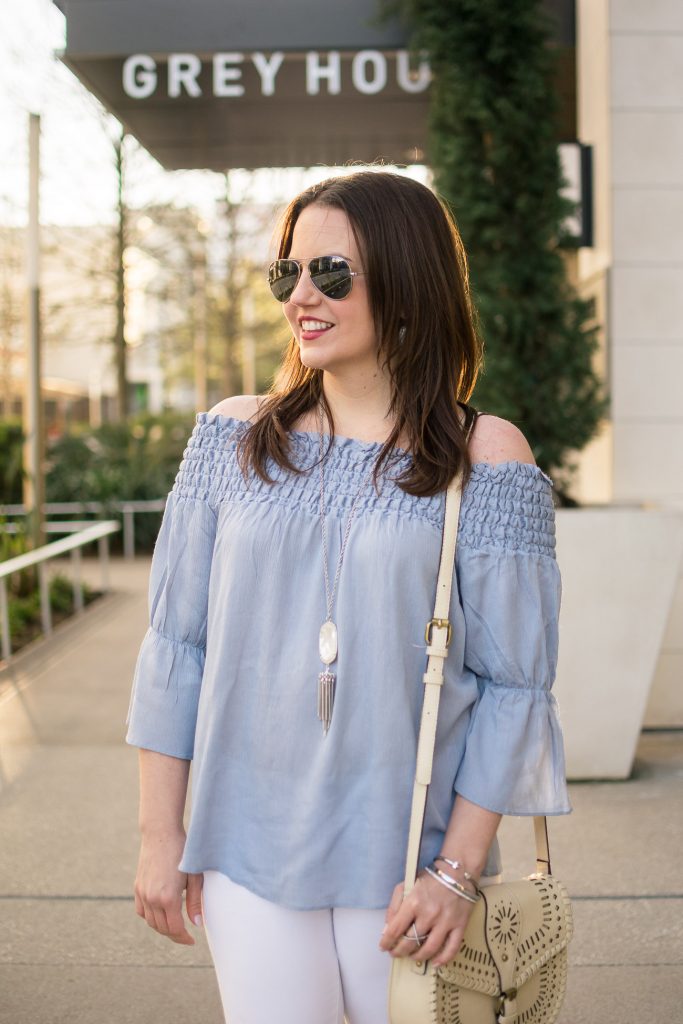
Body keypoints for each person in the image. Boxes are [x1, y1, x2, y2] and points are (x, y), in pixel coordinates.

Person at [125, 170, 572, 1024]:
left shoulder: (487, 456)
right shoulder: (231, 436)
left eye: (331, 273)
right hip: (245, 847)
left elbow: (516, 687)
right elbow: (176, 645)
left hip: (407, 861)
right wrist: (160, 835)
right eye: (285, 274)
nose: (302, 295)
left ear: (408, 283)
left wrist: (456, 872)